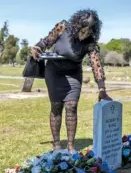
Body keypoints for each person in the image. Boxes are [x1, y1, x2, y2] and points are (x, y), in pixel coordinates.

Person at [30, 9, 112, 153]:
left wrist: (102, 89)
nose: (85, 33)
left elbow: (96, 63)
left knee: (71, 107)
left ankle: (70, 146)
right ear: (76, 25)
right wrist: (37, 47)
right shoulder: (63, 27)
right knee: (56, 106)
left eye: (89, 31)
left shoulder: (90, 42)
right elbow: (46, 41)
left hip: (73, 73)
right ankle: (56, 144)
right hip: (54, 71)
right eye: (83, 29)